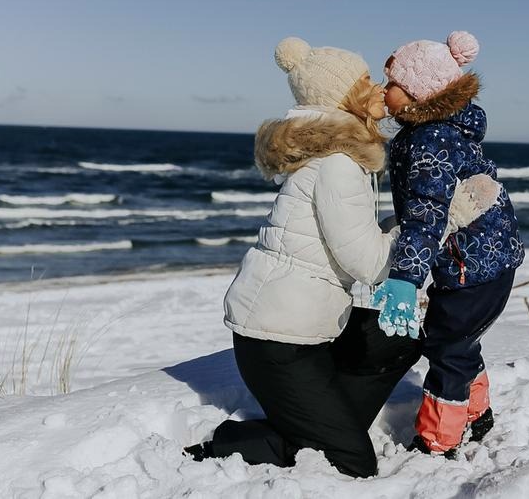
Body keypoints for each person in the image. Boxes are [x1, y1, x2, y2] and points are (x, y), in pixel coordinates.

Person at [185, 37, 500, 477]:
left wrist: (410, 235)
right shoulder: (338, 164)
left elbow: (360, 240)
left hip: (309, 328)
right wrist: (448, 217)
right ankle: (227, 443)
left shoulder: (342, 157)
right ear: (342, 96)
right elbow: (369, 264)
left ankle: (325, 424)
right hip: (277, 342)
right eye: (367, 80)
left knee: (400, 340)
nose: (378, 89)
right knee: (352, 459)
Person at [374, 31, 526, 457]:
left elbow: (428, 211)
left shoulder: (430, 141)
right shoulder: (435, 132)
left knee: (447, 345)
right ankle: (476, 412)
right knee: (455, 339)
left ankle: (438, 437)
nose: (384, 91)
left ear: (418, 92)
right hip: (483, 259)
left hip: (473, 265)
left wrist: (406, 276)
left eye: (392, 83)